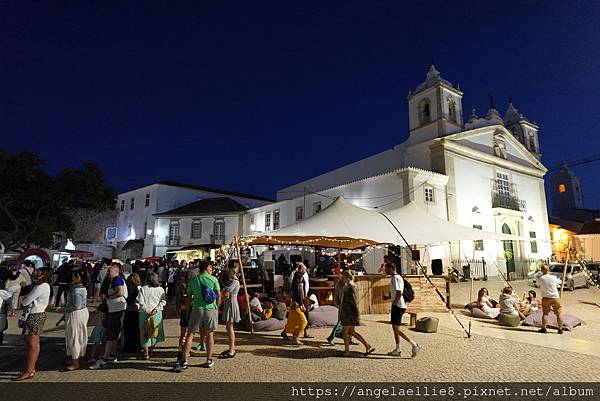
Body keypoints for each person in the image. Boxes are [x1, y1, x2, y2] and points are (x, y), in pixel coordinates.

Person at [172, 261, 221, 371]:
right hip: (210, 309)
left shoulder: (193, 281)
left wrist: (188, 310)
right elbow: (219, 295)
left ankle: (184, 361)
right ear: (208, 268)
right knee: (210, 335)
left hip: (196, 309)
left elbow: (189, 297)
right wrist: (216, 308)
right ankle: (208, 359)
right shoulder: (213, 279)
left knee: (190, 334)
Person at [12, 268, 52, 381]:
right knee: (33, 343)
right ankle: (31, 369)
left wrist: (25, 299)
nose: (35, 275)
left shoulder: (42, 286)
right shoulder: (42, 285)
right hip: (36, 314)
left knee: (32, 343)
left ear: (44, 276)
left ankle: (29, 370)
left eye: (38, 274)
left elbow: (26, 301)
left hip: (35, 315)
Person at [90, 263, 128, 369]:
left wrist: (108, 297)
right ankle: (111, 354)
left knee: (111, 334)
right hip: (115, 309)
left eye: (110, 271)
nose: (108, 273)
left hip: (116, 310)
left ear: (116, 272)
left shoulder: (117, 279)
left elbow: (120, 292)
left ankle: (105, 357)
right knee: (114, 334)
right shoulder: (115, 280)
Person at [383, 263, 420, 357]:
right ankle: (398, 348)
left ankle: (414, 344)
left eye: (386, 269)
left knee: (396, 329)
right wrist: (388, 298)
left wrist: (395, 303)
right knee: (395, 328)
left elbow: (399, 292)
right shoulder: (395, 278)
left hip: (398, 306)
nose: (385, 271)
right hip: (397, 304)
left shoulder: (396, 278)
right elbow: (396, 293)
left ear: (391, 269)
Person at [339, 270, 374, 357]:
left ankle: (347, 351)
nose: (342, 279)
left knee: (345, 332)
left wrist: (355, 314)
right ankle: (367, 345)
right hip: (348, 311)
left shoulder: (350, 286)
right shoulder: (348, 286)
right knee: (352, 331)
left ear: (347, 278)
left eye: (343, 277)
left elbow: (354, 301)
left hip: (349, 312)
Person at [62, 271, 89, 371]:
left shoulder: (77, 290)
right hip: (80, 313)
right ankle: (74, 358)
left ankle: (75, 362)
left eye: (74, 277)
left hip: (75, 314)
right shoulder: (80, 288)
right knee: (76, 335)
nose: (72, 279)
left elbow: (76, 306)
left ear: (78, 277)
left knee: (74, 336)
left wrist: (66, 310)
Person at [136, 272, 166, 359]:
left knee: (144, 333)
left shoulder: (142, 289)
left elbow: (140, 302)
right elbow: (163, 302)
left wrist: (146, 310)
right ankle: (151, 351)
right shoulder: (160, 290)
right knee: (155, 333)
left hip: (144, 313)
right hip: (157, 313)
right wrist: (156, 309)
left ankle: (146, 353)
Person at [281, 268, 308, 345]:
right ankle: (296, 337)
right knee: (303, 322)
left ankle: (285, 333)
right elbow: (298, 295)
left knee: (292, 321)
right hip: (296, 305)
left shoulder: (296, 283)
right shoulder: (297, 285)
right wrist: (302, 304)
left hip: (294, 304)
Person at [327, 277, 356, 346]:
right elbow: (340, 298)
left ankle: (349, 338)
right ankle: (331, 338)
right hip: (344, 308)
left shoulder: (347, 286)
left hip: (348, 308)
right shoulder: (342, 287)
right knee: (340, 324)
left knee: (350, 325)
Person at [536, 264, 564, 334]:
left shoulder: (541, 279)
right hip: (555, 297)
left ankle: (544, 328)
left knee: (545, 314)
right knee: (558, 314)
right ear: (549, 270)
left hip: (546, 298)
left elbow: (537, 284)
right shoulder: (554, 277)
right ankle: (560, 329)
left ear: (542, 270)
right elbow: (560, 282)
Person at [220, 265, 240, 358]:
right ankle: (231, 348)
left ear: (234, 272)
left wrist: (223, 293)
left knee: (230, 327)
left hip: (231, 304)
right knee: (228, 328)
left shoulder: (235, 282)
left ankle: (232, 349)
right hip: (229, 303)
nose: (228, 273)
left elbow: (226, 293)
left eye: (229, 272)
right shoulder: (231, 281)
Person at [288, 263, 311, 338]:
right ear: (301, 269)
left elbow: (305, 287)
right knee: (299, 318)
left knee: (298, 317)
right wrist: (301, 303)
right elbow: (297, 290)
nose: (306, 270)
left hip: (303, 298)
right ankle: (296, 335)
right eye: (304, 269)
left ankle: (304, 332)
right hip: (298, 300)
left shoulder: (303, 275)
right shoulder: (297, 277)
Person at [122, 273, 141, 354]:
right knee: (135, 329)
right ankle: (136, 346)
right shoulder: (138, 288)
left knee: (127, 329)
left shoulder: (127, 287)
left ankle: (128, 347)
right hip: (136, 309)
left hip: (128, 309)